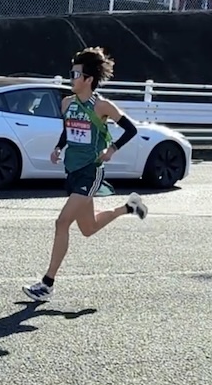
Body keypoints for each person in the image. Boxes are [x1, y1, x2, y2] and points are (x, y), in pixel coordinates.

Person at [23, 46, 148, 302]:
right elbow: (67, 131)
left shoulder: (102, 106)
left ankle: (47, 284)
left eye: (75, 74)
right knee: (88, 229)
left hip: (91, 172)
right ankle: (129, 208)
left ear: (88, 79)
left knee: (61, 222)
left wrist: (112, 149)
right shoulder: (67, 103)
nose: (71, 78)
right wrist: (59, 148)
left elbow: (131, 129)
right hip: (73, 169)